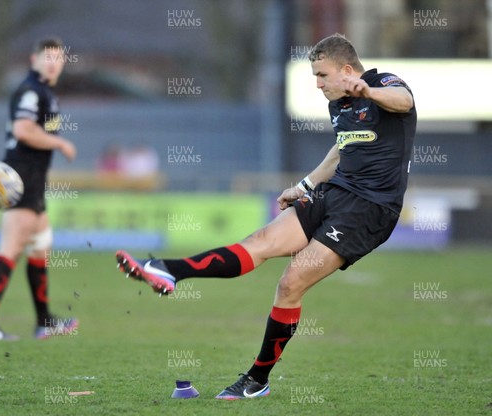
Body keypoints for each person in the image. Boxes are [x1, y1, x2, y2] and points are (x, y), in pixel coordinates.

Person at [115, 33, 416, 399]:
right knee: (258, 243)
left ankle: (257, 380)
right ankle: (168, 269)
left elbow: (404, 102)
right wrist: (304, 186)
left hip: (370, 209)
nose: (318, 84)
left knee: (290, 284)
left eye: (322, 75)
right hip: (334, 193)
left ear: (347, 70)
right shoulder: (339, 105)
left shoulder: (383, 85)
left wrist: (368, 92)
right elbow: (341, 150)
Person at [0, 37, 79, 340]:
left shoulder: (46, 92)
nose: (53, 62)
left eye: (58, 57)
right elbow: (22, 129)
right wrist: (59, 142)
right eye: (47, 56)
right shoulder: (31, 90)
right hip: (21, 178)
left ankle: (44, 321)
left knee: (41, 244)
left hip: (34, 178)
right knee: (11, 247)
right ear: (34, 60)